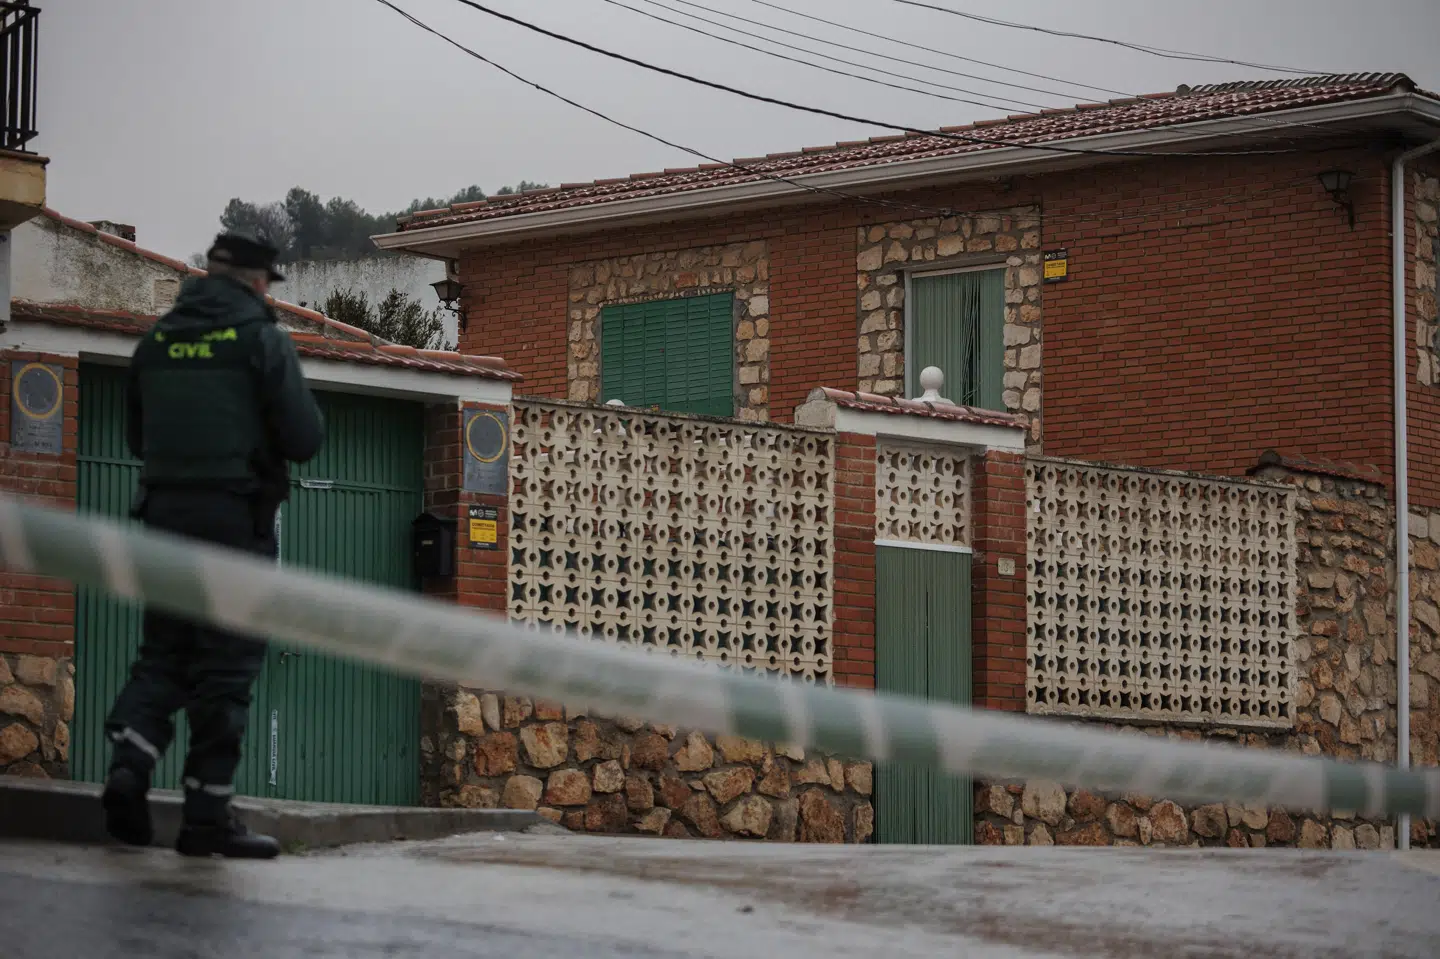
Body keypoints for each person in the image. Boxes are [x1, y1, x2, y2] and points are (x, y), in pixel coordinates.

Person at [101, 233, 325, 859]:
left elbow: (136, 439)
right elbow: (305, 438)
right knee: (224, 670)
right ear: (258, 282)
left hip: (164, 519)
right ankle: (205, 818)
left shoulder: (158, 341)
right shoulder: (261, 340)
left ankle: (129, 766)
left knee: (164, 655)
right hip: (234, 525)